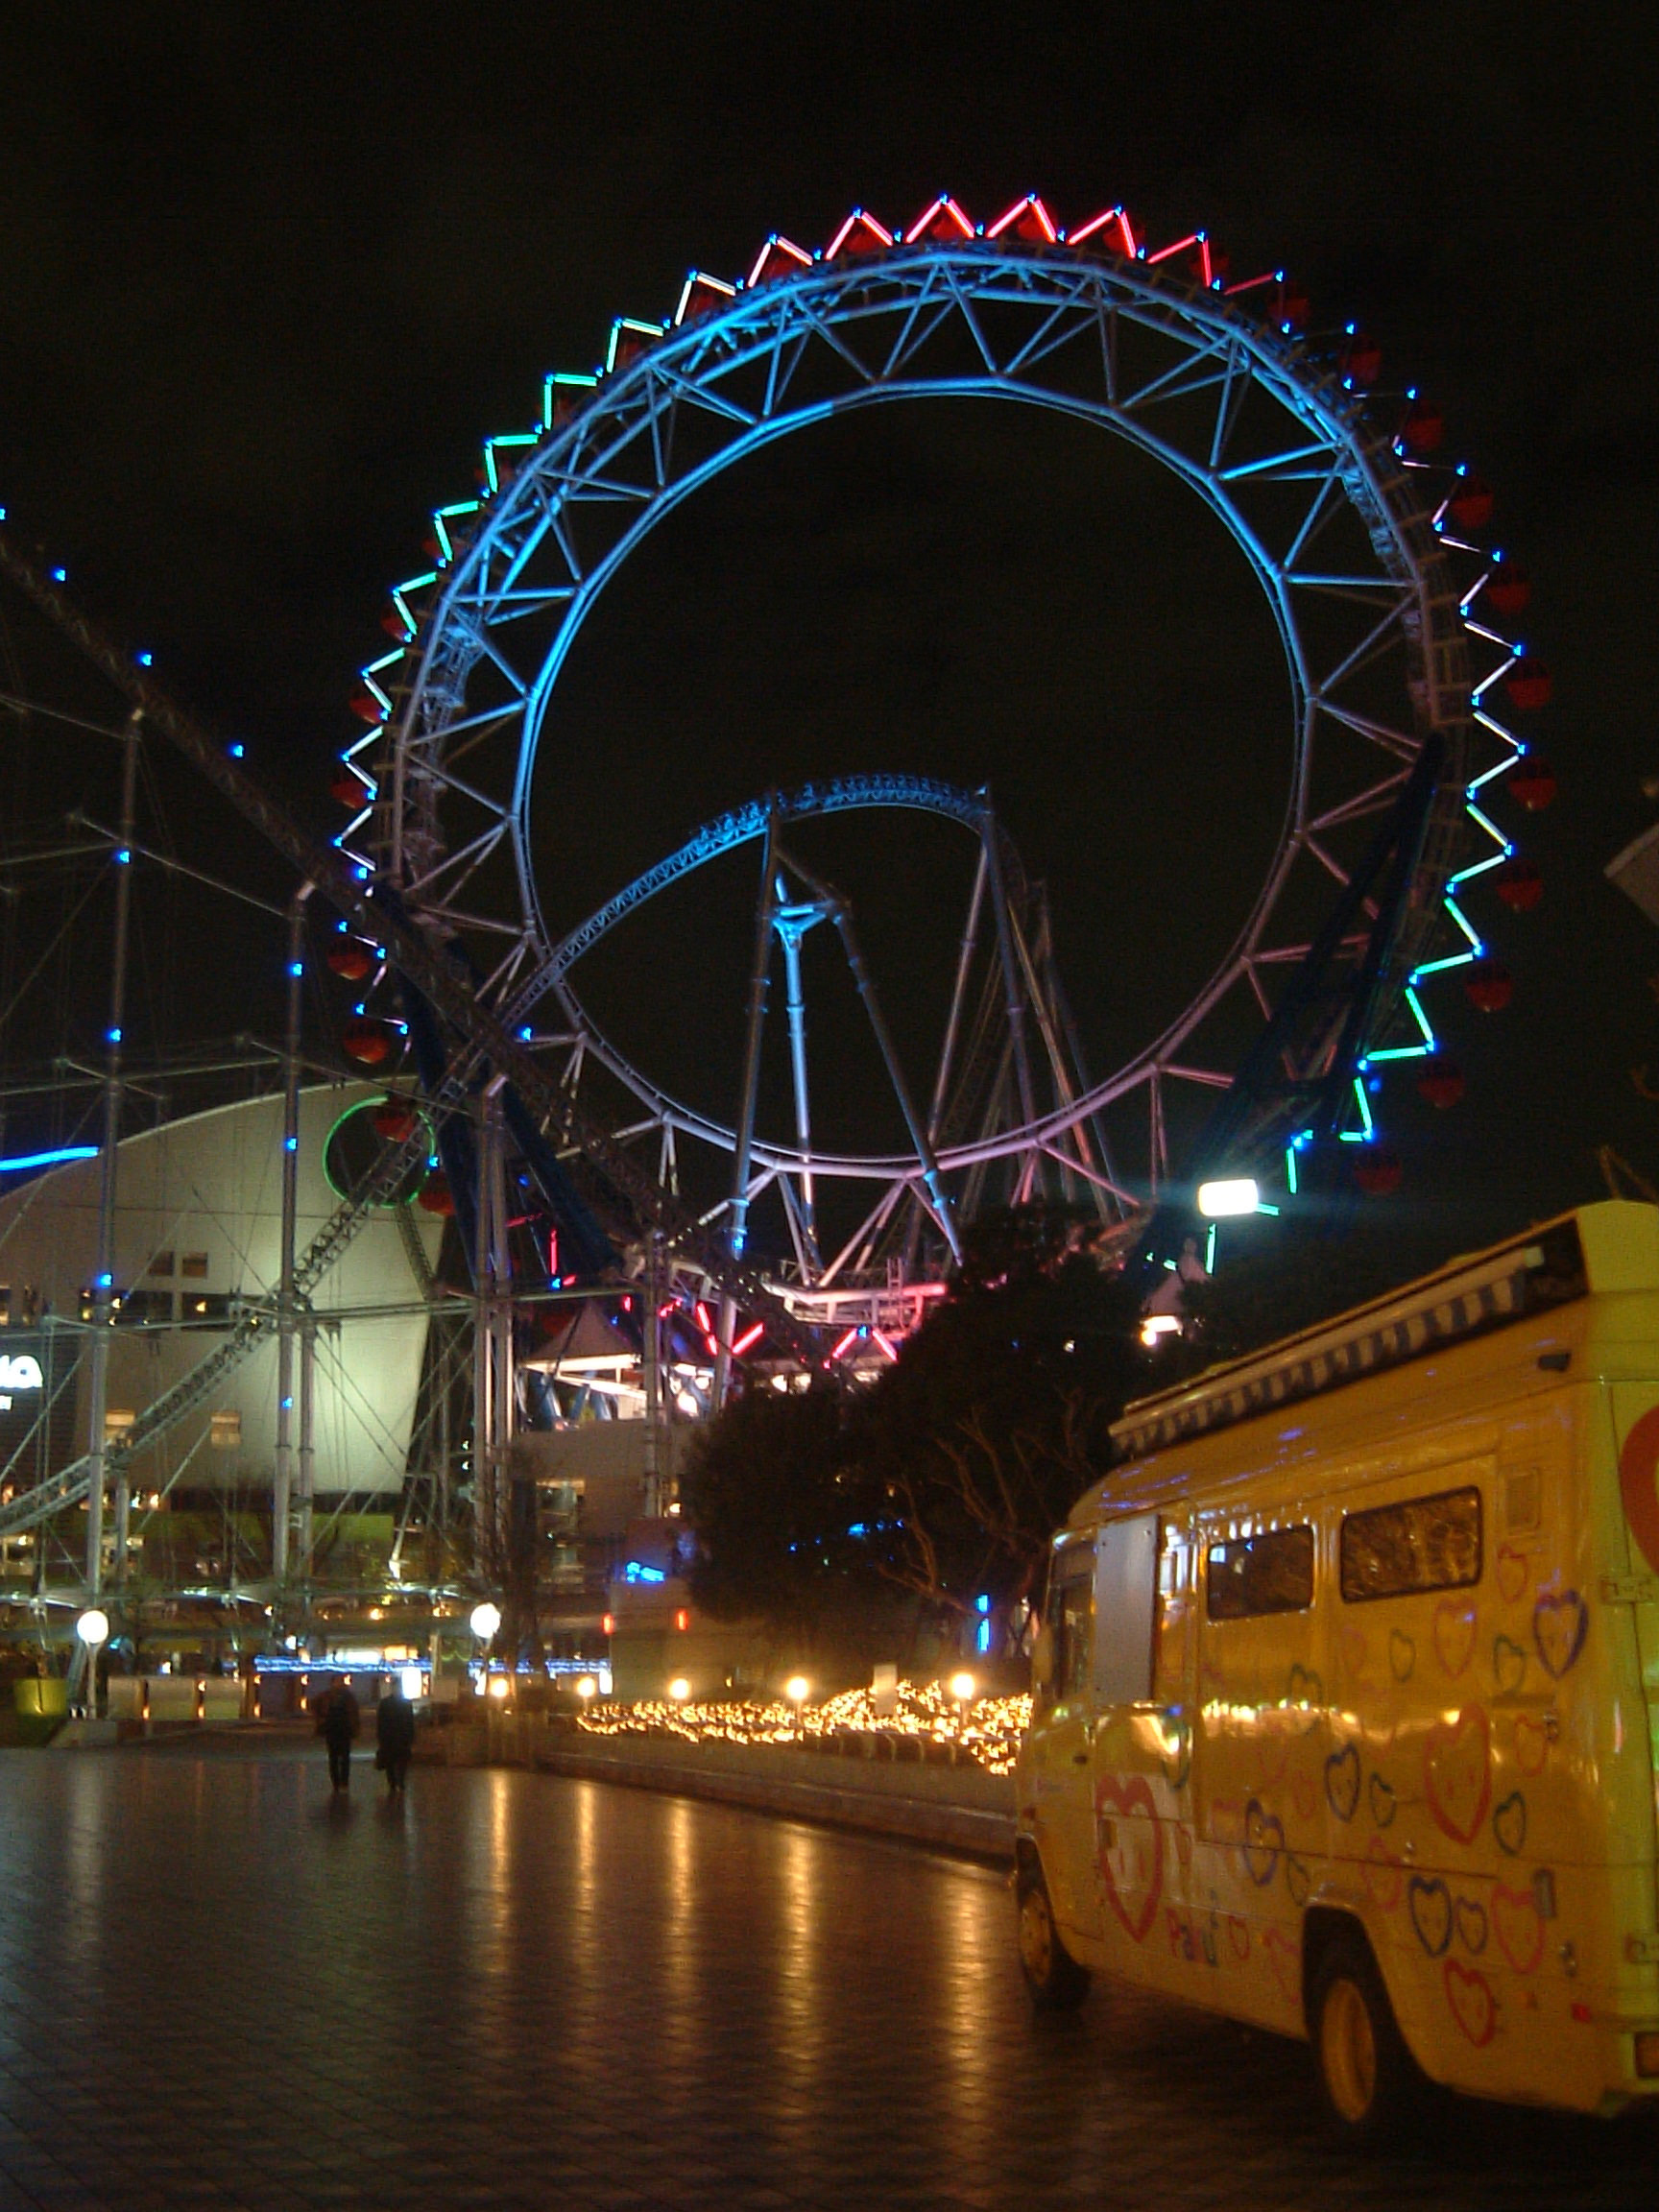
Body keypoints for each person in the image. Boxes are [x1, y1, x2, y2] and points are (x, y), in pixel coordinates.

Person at [318, 1679, 360, 1790]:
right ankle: (338, 1782)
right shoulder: (332, 1696)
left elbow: (354, 1713)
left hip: (341, 1730)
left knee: (341, 1757)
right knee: (336, 1757)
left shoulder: (331, 1696)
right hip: (335, 1730)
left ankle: (342, 1781)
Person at [375, 1684, 416, 1794]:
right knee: (401, 1762)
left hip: (389, 1737)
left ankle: (393, 1783)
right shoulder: (406, 1703)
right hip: (402, 1736)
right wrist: (411, 1736)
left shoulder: (385, 1703)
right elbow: (410, 1721)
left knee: (390, 1762)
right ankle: (400, 1782)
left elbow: (380, 1722)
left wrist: (380, 1736)